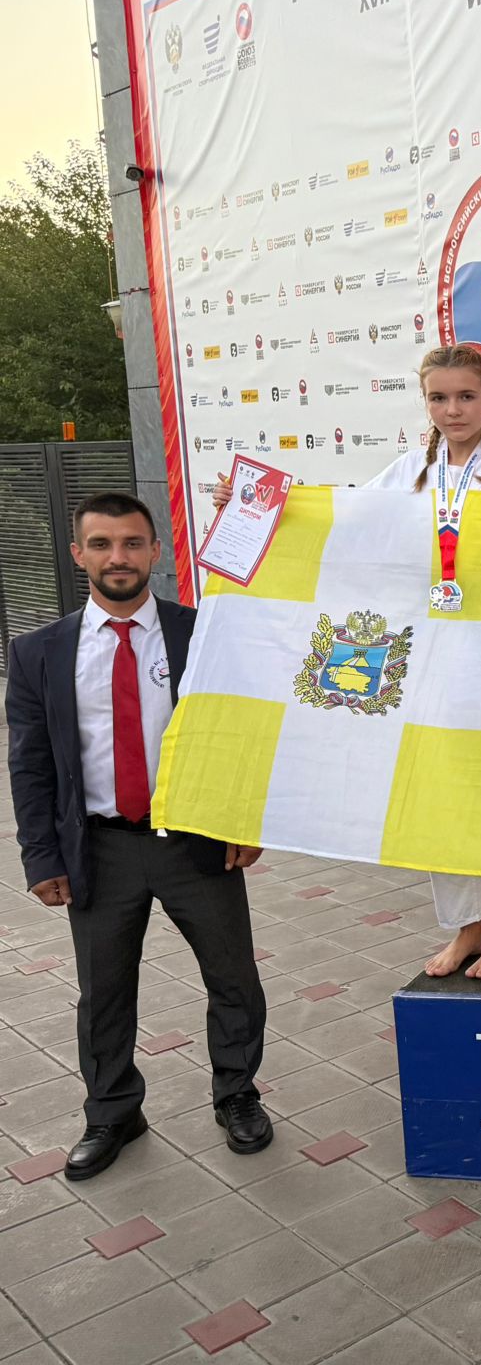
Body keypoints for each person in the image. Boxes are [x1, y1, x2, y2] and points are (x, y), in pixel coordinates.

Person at [214, 344, 481, 980]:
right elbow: (343, 521)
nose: (453, 409)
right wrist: (257, 505)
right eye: (439, 398)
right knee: (438, 791)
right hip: (431, 664)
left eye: (466, 396)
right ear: (426, 403)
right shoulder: (409, 474)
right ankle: (467, 926)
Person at [5, 493, 272, 1179]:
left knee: (233, 977)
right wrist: (40, 856)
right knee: (103, 993)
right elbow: (30, 764)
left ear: (156, 551)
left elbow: (240, 735)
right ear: (79, 554)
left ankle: (237, 1093)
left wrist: (244, 820)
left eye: (131, 543)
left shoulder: (201, 634)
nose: (117, 557)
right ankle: (113, 1110)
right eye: (101, 544)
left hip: (194, 841)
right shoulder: (38, 653)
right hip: (99, 849)